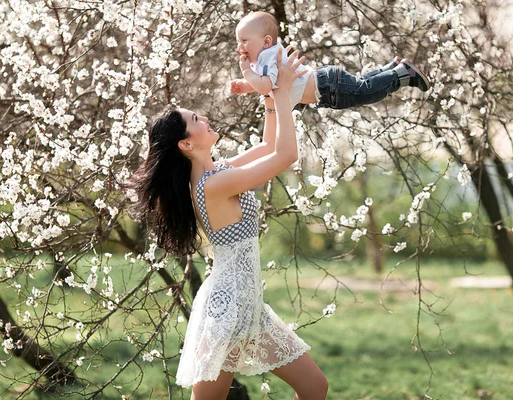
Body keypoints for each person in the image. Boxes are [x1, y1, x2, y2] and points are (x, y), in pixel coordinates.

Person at [129, 48, 328, 400]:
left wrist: (267, 91)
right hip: (228, 308)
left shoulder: (217, 172)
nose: (204, 118)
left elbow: (269, 144)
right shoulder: (213, 185)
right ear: (187, 143)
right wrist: (282, 92)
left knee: (314, 387)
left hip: (247, 303)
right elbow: (286, 155)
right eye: (195, 119)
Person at [230, 11, 431, 110]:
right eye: (239, 41)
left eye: (245, 41)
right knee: (362, 86)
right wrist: (245, 86)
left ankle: (402, 74)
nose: (241, 46)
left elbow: (265, 87)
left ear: (266, 41)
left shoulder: (267, 57)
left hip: (326, 87)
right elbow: (268, 84)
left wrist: (247, 73)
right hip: (325, 86)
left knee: (365, 92)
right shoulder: (265, 58)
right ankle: (390, 68)